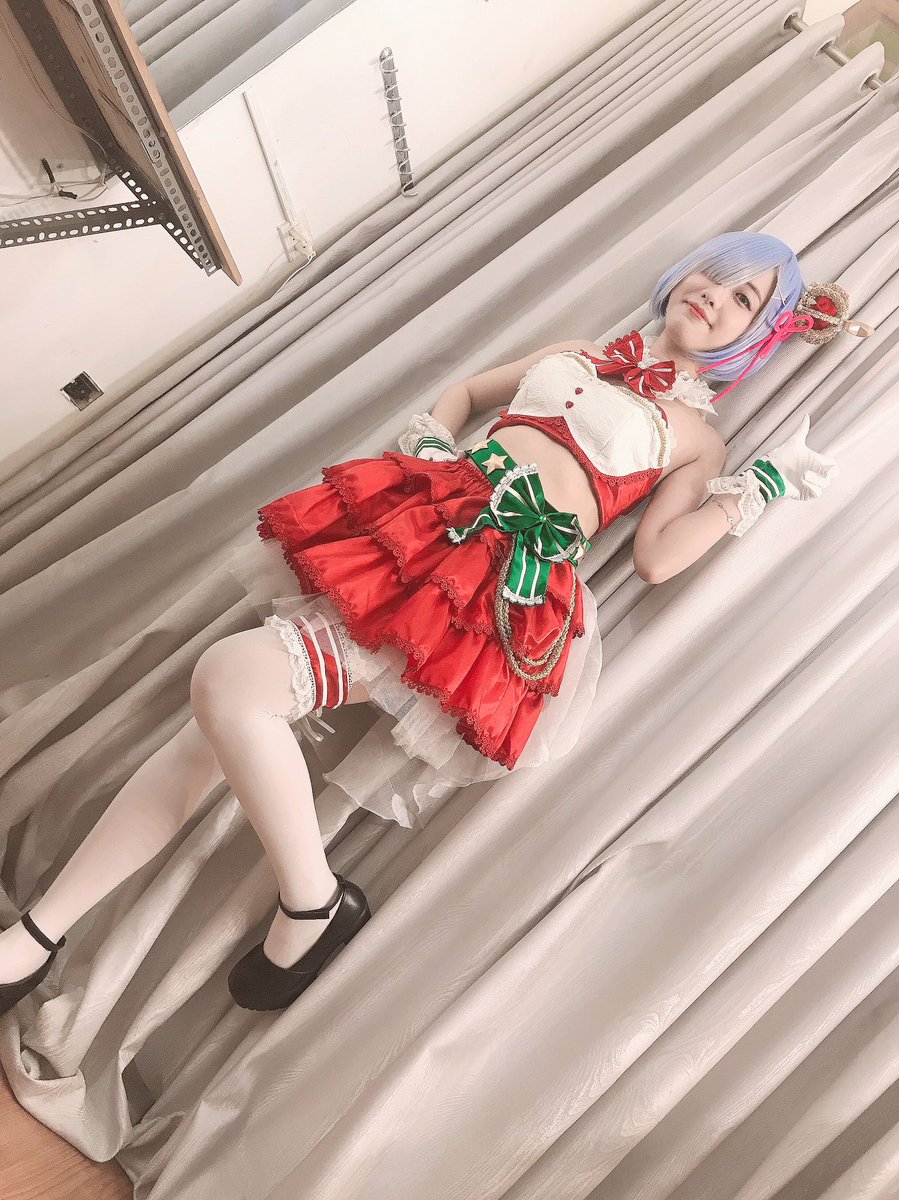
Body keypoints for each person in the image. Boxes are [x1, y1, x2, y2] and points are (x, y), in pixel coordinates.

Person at [0, 231, 867, 1015]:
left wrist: (760, 486)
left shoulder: (697, 439)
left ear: (759, 333)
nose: (716, 295)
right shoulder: (576, 350)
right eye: (715, 273)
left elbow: (658, 558)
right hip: (420, 527)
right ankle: (33, 940)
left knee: (229, 683)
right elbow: (467, 392)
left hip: (488, 587)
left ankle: (310, 901)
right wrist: (429, 443)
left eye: (744, 298)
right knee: (213, 728)